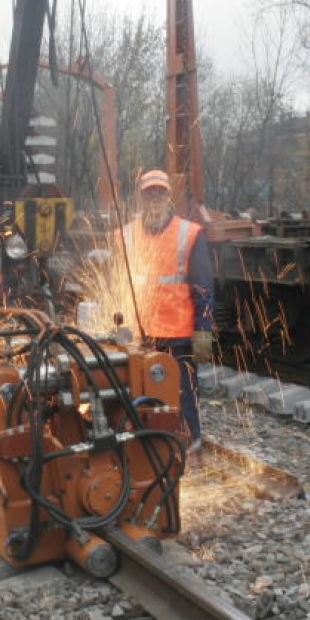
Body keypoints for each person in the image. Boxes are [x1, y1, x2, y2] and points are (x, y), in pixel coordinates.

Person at [122, 169, 214, 452]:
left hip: (180, 334)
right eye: (150, 193)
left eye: (160, 193)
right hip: (139, 336)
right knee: (140, 394)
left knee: (183, 395)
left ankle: (190, 443)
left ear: (168, 197)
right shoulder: (125, 235)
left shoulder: (189, 233)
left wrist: (203, 339)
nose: (155, 198)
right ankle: (148, 446)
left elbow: (204, 290)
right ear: (141, 197)